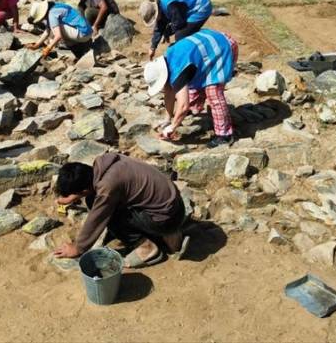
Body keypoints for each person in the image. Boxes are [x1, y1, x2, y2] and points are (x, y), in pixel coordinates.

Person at [51, 153, 188, 268]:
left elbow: (97, 218)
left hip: (167, 219)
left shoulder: (108, 187)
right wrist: (72, 196)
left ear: (84, 190)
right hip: (175, 206)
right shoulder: (105, 162)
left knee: (107, 214)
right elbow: (93, 189)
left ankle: (147, 248)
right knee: (95, 200)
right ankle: (171, 235)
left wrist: (78, 248)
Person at [143, 28, 239, 148]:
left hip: (223, 46)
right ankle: (191, 110)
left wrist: (172, 127)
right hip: (211, 46)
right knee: (193, 89)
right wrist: (168, 119)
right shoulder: (168, 60)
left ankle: (225, 135)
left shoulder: (178, 71)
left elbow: (183, 105)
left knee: (213, 91)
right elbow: (169, 93)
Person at [139, 0, 213, 60]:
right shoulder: (162, 6)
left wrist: (168, 32)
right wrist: (153, 47)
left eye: (154, 19)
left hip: (201, 5)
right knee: (177, 32)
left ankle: (187, 58)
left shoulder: (171, 6)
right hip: (187, 7)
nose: (156, 21)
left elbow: (179, 23)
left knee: (181, 35)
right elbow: (159, 27)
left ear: (157, 12)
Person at [25, 0, 92, 55]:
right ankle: (74, 44)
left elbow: (58, 36)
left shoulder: (52, 13)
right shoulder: (55, 5)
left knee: (56, 29)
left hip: (83, 34)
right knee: (54, 27)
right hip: (87, 31)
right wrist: (36, 45)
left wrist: (48, 48)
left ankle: (74, 46)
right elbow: (47, 31)